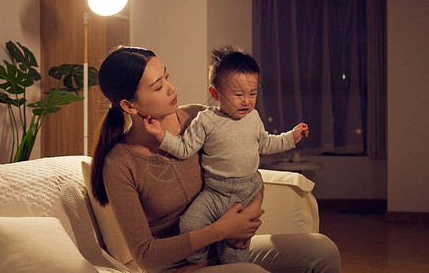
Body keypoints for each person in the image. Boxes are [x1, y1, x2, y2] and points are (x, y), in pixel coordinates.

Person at [90, 46, 341, 273]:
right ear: (129, 106)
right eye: (158, 86)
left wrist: (249, 217)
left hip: (223, 249)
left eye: (167, 76)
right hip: (179, 266)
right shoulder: (119, 164)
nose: (171, 88)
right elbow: (145, 256)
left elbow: (246, 170)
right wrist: (221, 230)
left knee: (321, 250)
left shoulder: (201, 118)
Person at [143, 46, 310, 269]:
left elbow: (266, 142)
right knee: (190, 223)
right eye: (238, 95)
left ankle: (233, 266)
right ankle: (200, 262)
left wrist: (292, 137)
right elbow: (184, 148)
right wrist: (161, 136)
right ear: (215, 94)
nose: (247, 102)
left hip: (247, 191)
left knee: (237, 250)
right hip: (215, 192)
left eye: (252, 94)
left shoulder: (253, 118)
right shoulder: (205, 120)